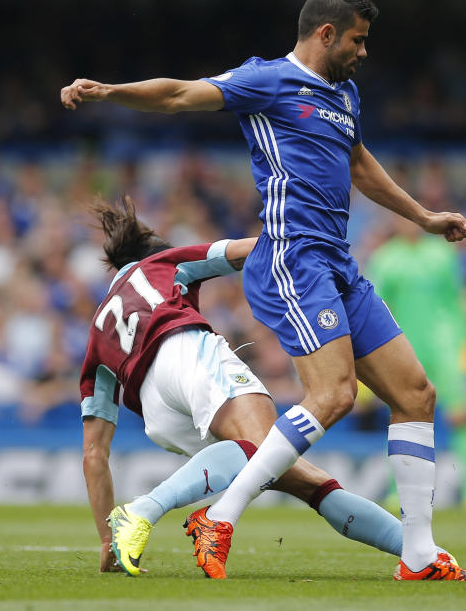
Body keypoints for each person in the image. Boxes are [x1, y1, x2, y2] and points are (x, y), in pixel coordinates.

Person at [62, 0, 466, 581]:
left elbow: (359, 164)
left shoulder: (345, 95)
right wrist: (110, 91)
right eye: (358, 41)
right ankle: (221, 516)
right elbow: (182, 95)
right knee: (334, 394)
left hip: (337, 263)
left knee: (416, 395)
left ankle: (417, 557)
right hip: (292, 258)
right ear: (326, 33)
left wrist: (422, 216)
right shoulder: (267, 81)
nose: (364, 53)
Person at [80, 196, 403, 576]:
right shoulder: (162, 262)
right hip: (184, 353)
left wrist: (106, 542)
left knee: (302, 478)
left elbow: (94, 455)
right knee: (259, 448)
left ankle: (422, 554)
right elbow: (253, 249)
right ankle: (143, 510)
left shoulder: (97, 333)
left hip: (157, 412)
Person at [367, 214, 466, 513]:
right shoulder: (385, 258)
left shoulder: (443, 254)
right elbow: (377, 307)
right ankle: (395, 492)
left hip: (447, 346)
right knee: (402, 416)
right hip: (404, 346)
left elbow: (459, 300)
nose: (407, 224)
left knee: (461, 415)